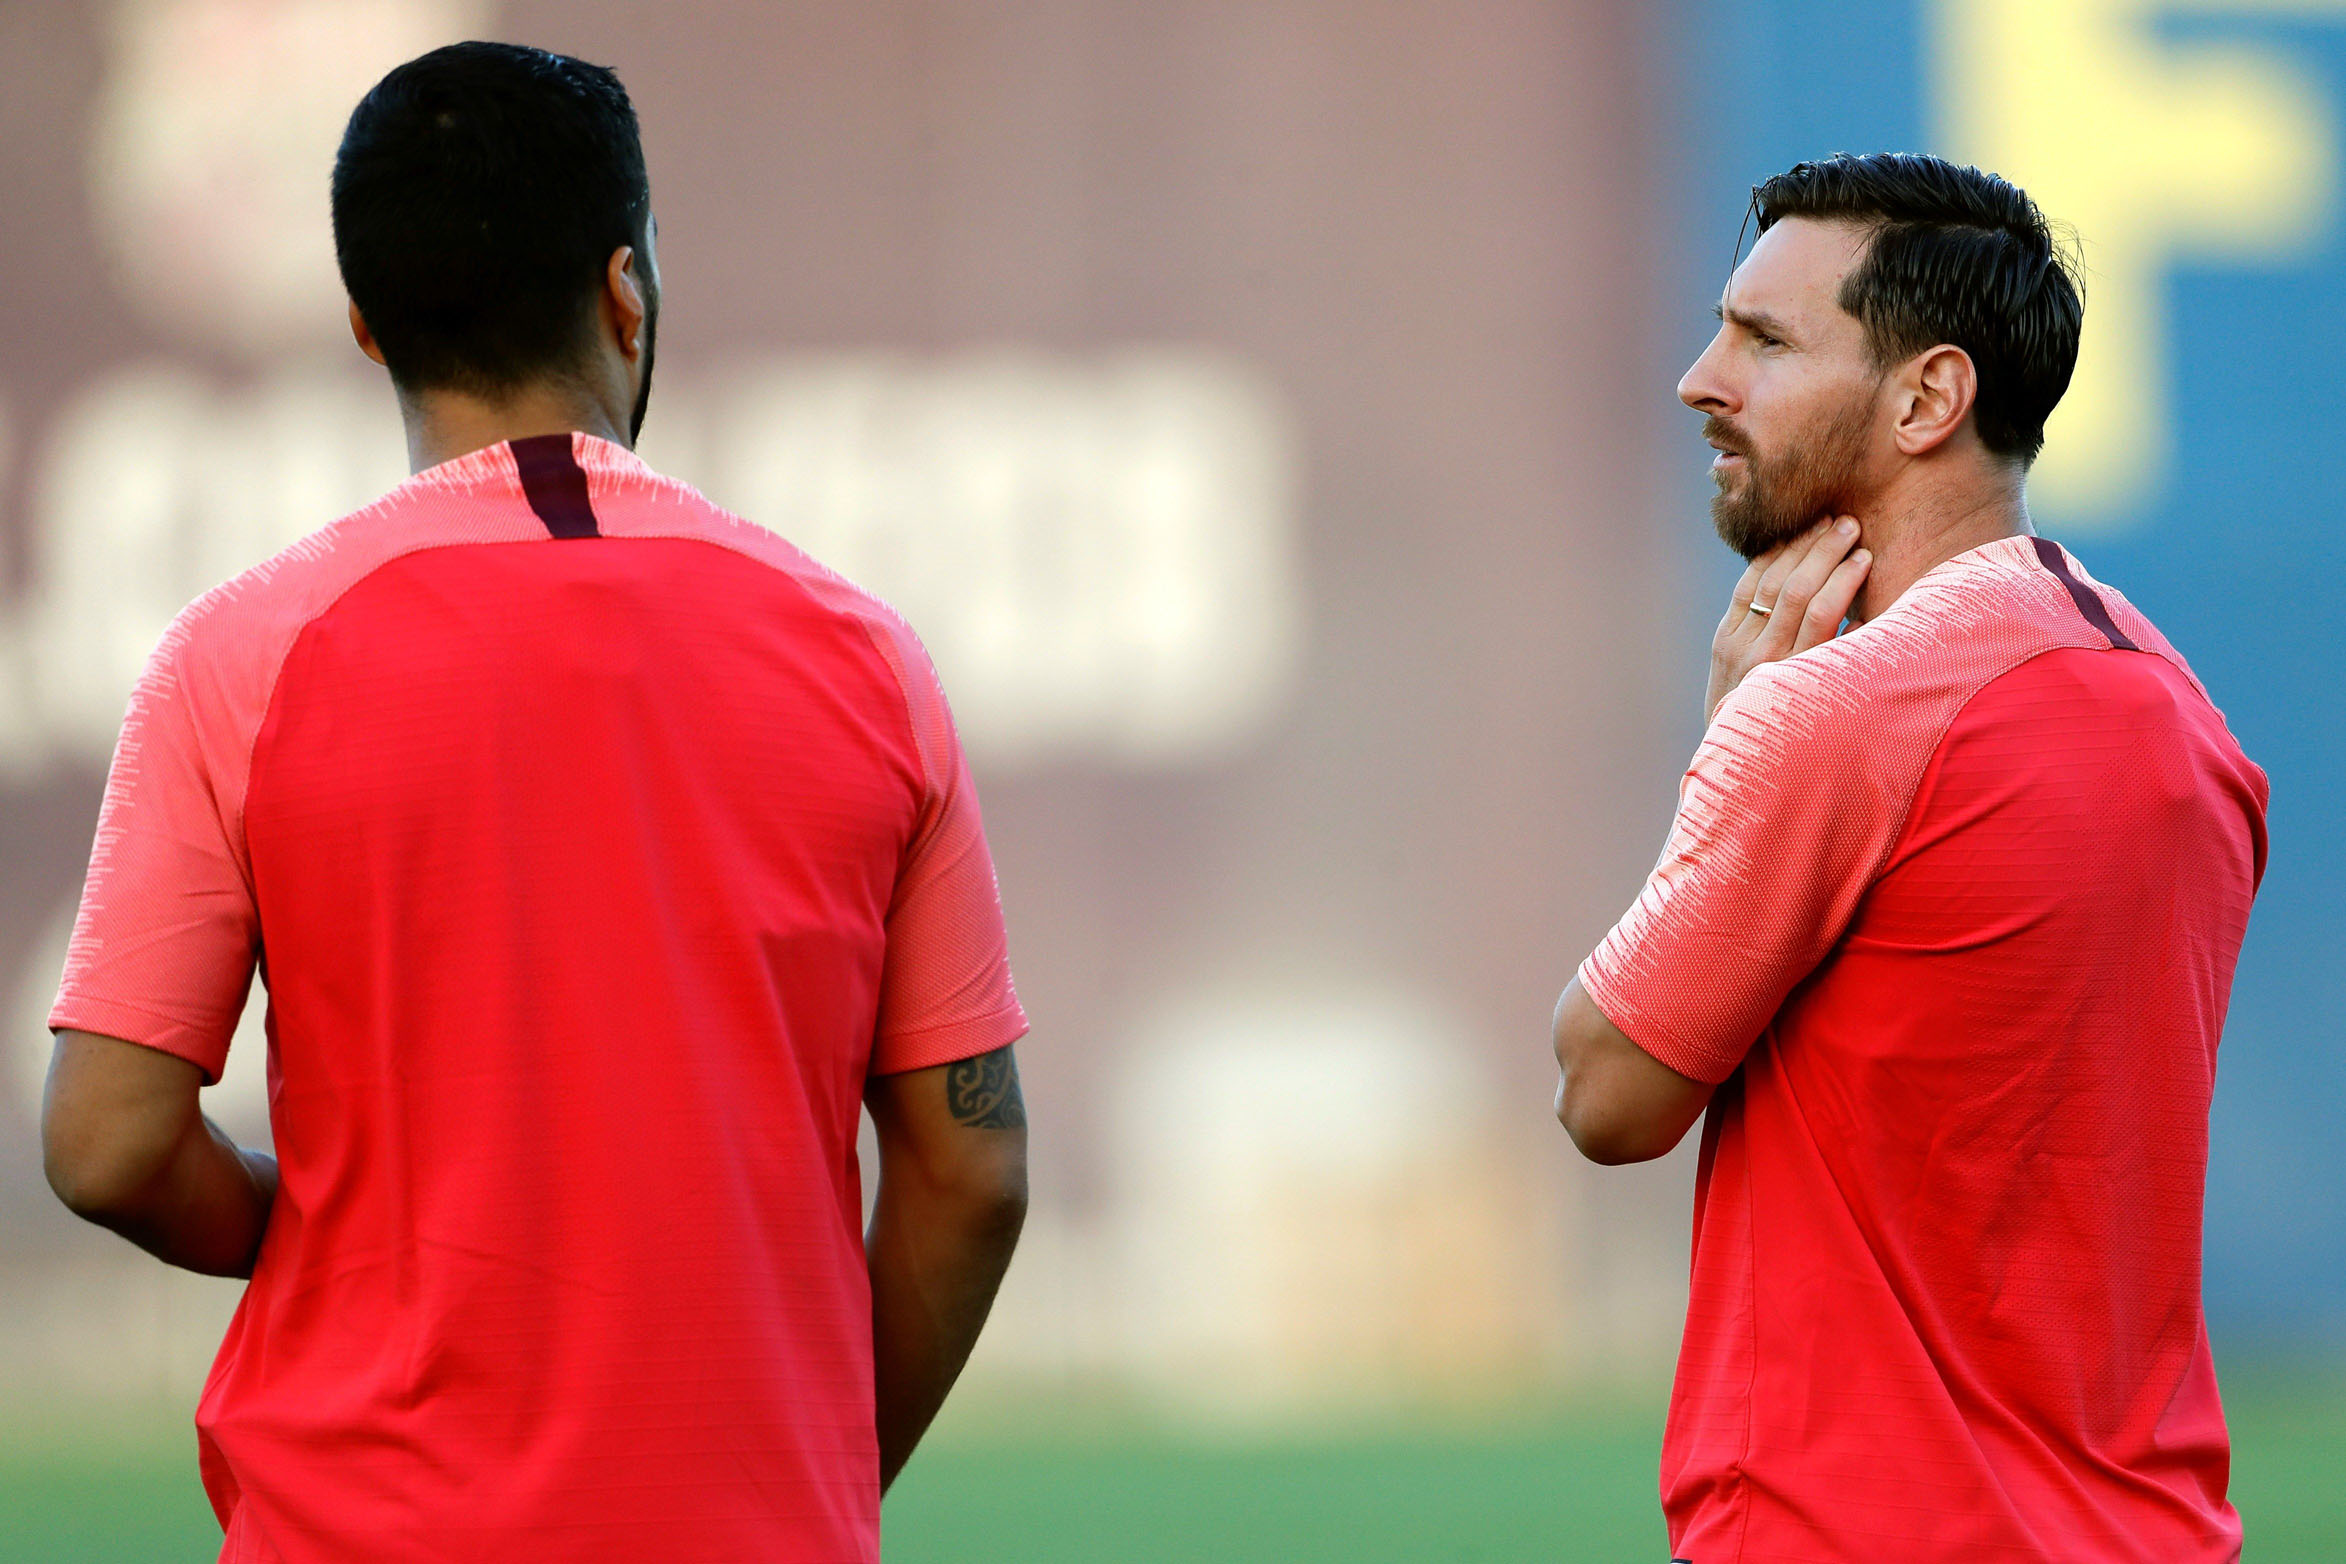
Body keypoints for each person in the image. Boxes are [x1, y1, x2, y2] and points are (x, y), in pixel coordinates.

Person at [40, 42, 1029, 1563]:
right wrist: (810, 1470)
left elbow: (105, 1145)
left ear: (368, 328)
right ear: (624, 290)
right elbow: (970, 1169)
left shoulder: (238, 658)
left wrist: (297, 1226)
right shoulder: (865, 657)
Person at [1550, 152, 2266, 1562]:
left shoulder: (1830, 715)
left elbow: (1603, 1093)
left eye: (1761, 340)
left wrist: (1729, 754)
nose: (1701, 377)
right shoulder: (2181, 716)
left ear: (1926, 400)